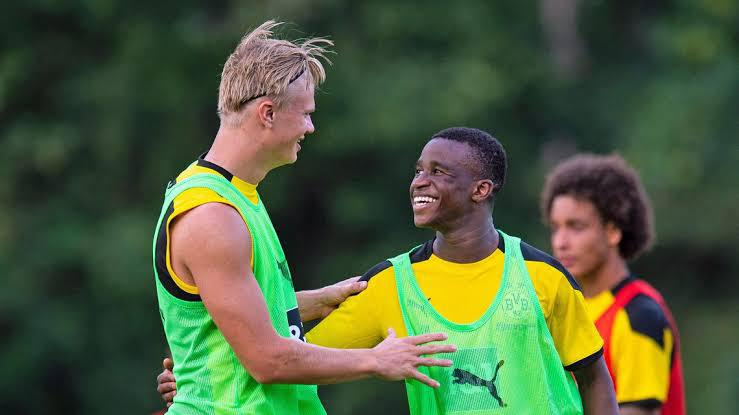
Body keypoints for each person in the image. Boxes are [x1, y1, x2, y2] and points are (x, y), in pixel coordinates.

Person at [160, 127, 619, 414]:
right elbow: (290, 355)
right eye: (418, 170)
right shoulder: (388, 286)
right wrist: (204, 372)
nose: (420, 181)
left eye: (439, 172)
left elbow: (594, 377)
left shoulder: (543, 277)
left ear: (481, 190)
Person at [153, 20, 456, 415]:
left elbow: (239, 310)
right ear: (267, 113)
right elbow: (267, 360)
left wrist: (318, 301)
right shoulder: (212, 215)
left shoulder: (233, 195)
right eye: (306, 114)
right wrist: (376, 359)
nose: (311, 128)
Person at [541, 154, 685, 415]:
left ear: (612, 231)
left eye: (576, 227)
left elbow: (640, 411)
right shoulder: (564, 309)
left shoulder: (639, 315)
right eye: (555, 228)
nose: (560, 242)